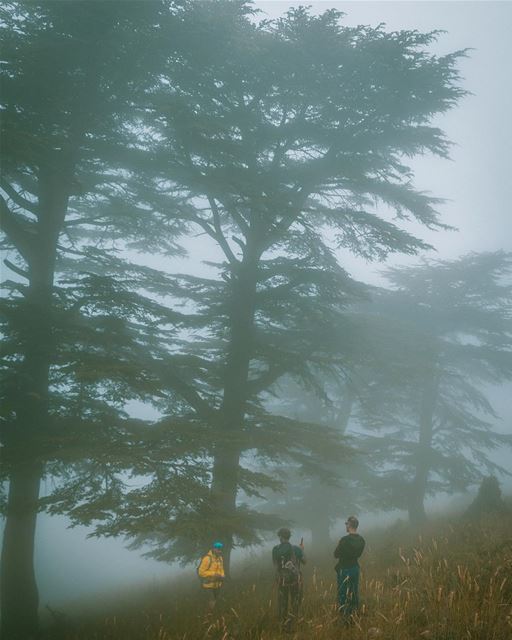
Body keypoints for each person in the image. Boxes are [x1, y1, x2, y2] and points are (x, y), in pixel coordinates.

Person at [272, 527, 306, 630]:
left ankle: (283, 625)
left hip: (282, 581)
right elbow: (305, 561)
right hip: (294, 580)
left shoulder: (275, 549)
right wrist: (302, 550)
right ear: (289, 536)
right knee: (295, 602)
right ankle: (295, 624)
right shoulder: (296, 549)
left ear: (280, 537)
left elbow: (275, 564)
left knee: (283, 603)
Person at [334, 515, 365, 620]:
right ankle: (355, 615)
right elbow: (359, 554)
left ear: (349, 525)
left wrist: (339, 545)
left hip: (344, 568)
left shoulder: (344, 540)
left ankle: (345, 618)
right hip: (355, 568)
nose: (345, 526)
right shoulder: (361, 540)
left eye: (346, 524)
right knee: (354, 591)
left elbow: (336, 554)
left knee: (343, 593)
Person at [197, 541, 225, 611]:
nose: (219, 550)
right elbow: (201, 572)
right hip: (208, 585)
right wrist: (213, 574)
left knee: (215, 600)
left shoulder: (220, 558)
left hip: (218, 584)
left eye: (220, 548)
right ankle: (208, 616)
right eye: (217, 548)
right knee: (211, 600)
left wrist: (222, 575)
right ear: (213, 548)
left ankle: (213, 615)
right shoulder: (207, 558)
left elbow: (221, 569)